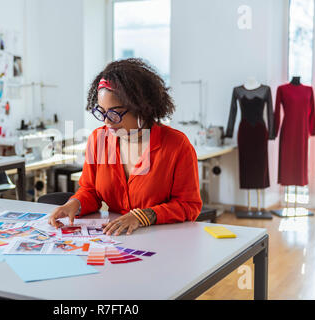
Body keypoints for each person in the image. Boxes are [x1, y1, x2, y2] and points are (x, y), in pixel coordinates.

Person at [48, 58, 202, 235]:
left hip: (162, 238)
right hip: (117, 237)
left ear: (142, 108)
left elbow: (189, 206)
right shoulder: (99, 139)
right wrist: (75, 203)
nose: (107, 121)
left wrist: (142, 217)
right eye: (102, 112)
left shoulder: (176, 146)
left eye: (115, 113)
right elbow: (90, 190)